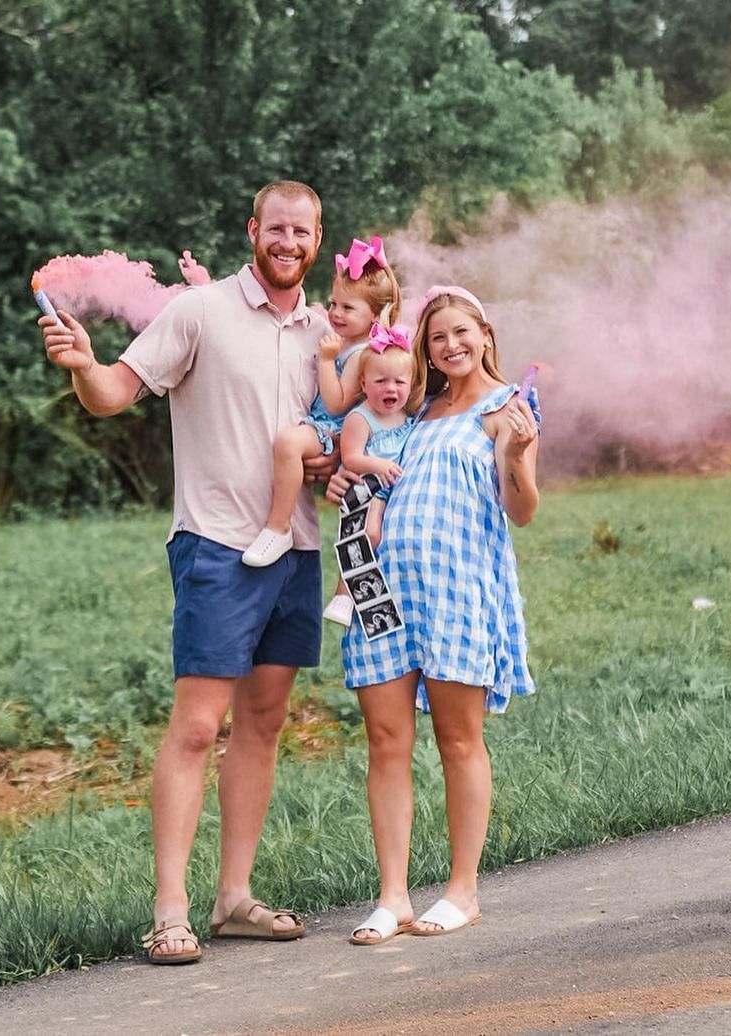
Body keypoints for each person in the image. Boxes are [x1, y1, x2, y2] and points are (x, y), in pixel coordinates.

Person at [38, 181, 337, 965]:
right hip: (215, 545)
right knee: (200, 726)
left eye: (301, 231)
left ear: (317, 239)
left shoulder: (325, 332)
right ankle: (170, 912)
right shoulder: (199, 313)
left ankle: (234, 899)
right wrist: (83, 364)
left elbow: (331, 434)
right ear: (253, 231)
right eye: (276, 228)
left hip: (297, 548)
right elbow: (114, 395)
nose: (287, 242)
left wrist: (334, 466)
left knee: (265, 723)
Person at [328, 285, 541, 946]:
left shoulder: (509, 409)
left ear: (484, 333)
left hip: (455, 588)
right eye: (437, 337)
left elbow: (523, 510)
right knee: (387, 742)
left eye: (460, 333)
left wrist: (512, 455)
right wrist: (343, 479)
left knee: (457, 739)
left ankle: (461, 891)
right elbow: (364, 466)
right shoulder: (413, 410)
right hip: (382, 589)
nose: (450, 346)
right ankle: (392, 897)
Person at [241, 237, 402, 625]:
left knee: (288, 443)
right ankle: (347, 595)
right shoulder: (350, 342)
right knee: (360, 521)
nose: (335, 312)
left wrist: (328, 361)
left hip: (332, 428)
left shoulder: (362, 352)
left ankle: (278, 528)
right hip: (332, 430)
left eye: (348, 307)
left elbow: (335, 401)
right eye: (333, 303)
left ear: (377, 315)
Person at [327, 321, 415, 623]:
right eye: (380, 382)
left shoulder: (407, 416)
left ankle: (375, 609)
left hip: (392, 491)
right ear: (364, 384)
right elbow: (351, 458)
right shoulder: (360, 418)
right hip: (369, 487)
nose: (390, 388)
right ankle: (342, 594)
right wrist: (378, 465)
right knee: (369, 532)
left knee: (383, 537)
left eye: (399, 382)